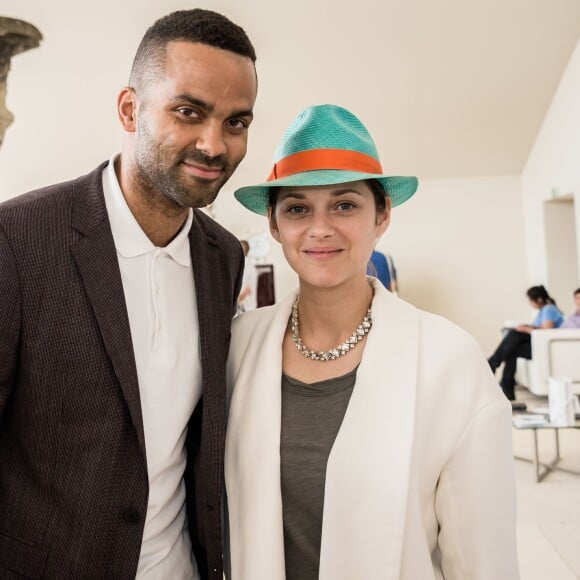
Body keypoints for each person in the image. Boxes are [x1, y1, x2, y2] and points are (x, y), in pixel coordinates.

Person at [0, 9, 257, 580]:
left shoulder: (224, 256)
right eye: (188, 112)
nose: (214, 145)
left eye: (236, 122)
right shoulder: (17, 240)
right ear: (129, 109)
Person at [224, 105, 519, 579]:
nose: (320, 229)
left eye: (345, 205)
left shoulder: (448, 362)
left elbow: (485, 564)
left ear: (382, 216)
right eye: (298, 208)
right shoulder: (238, 349)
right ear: (274, 226)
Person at [488, 285, 563, 401]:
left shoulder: (549, 309)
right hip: (538, 347)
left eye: (530, 300)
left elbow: (546, 332)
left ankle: (493, 364)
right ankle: (507, 390)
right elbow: (540, 327)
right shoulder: (544, 310)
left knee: (514, 335)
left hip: (545, 349)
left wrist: (525, 329)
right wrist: (527, 327)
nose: (530, 303)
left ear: (538, 299)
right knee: (512, 349)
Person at [237, 239, 258, 313]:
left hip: (247, 309)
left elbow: (247, 290)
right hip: (245, 308)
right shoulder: (246, 266)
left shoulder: (247, 267)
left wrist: (235, 302)